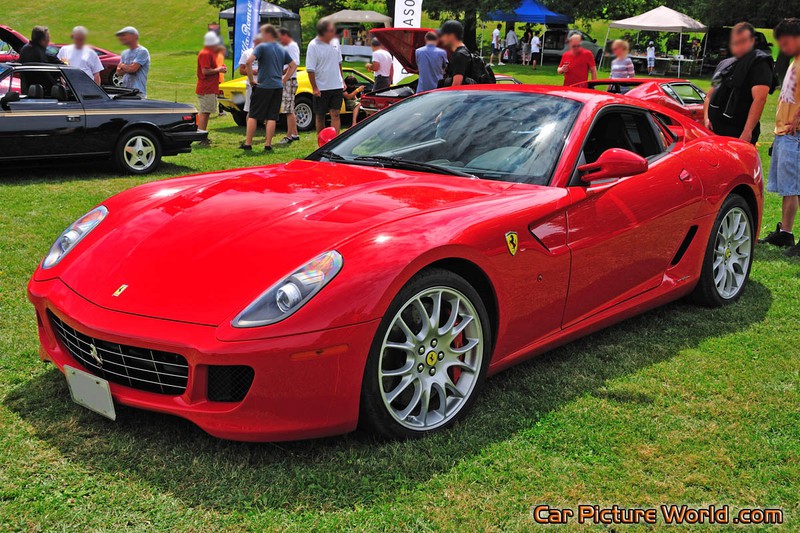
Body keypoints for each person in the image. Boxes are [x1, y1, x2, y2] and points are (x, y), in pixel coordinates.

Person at [760, 18, 800, 257]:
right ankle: (785, 233)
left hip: (795, 135)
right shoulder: (795, 61)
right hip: (785, 133)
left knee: (795, 186)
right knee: (789, 187)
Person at [704, 22, 774, 144]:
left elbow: (760, 99)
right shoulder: (724, 64)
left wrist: (747, 131)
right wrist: (706, 118)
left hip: (738, 132)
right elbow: (709, 95)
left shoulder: (759, 64)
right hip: (714, 131)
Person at [242, 24, 297, 152]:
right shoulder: (281, 49)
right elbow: (293, 65)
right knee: (272, 116)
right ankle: (268, 144)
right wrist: (283, 79)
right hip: (277, 87)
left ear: (267, 34)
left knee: (253, 115)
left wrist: (251, 80)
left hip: (263, 86)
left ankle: (248, 142)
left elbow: (249, 61)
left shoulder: (262, 47)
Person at [306, 20, 345, 133]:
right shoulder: (313, 45)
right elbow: (310, 69)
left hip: (336, 85)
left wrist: (342, 80)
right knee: (320, 115)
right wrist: (314, 88)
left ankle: (335, 141)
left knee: (335, 113)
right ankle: (321, 142)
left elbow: (339, 62)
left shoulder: (335, 42)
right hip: (321, 87)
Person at [196, 31, 227, 141]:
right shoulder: (206, 53)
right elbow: (205, 71)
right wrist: (219, 70)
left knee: (206, 112)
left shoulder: (209, 53)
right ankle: (201, 137)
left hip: (209, 87)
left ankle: (201, 135)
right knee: (205, 112)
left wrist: (220, 68)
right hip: (206, 88)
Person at [277, 28, 301, 144]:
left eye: (280, 37)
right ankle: (295, 133)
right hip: (288, 80)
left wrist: (284, 77)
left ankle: (289, 136)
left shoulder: (291, 46)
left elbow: (294, 63)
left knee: (288, 109)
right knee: (289, 107)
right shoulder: (288, 46)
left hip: (289, 80)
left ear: (285, 35)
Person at [19, 26, 59, 92]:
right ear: (42, 40)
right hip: (46, 94)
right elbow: (65, 68)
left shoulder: (24, 50)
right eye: (48, 39)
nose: (49, 41)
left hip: (27, 92)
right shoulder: (45, 54)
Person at [115, 27, 150, 97]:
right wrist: (128, 67)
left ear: (134, 36)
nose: (121, 38)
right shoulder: (124, 53)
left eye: (124, 35)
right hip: (125, 91)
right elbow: (118, 72)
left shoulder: (142, 51)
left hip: (138, 93)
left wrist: (123, 66)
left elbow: (132, 69)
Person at [439, 20, 472, 87]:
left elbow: (456, 85)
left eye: (443, 35)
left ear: (451, 36)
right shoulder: (463, 52)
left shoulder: (459, 56)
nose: (441, 38)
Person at [238, 36, 261, 119]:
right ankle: (249, 130)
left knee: (265, 108)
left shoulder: (265, 53)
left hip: (264, 84)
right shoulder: (247, 53)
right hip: (252, 85)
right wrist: (252, 72)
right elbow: (241, 70)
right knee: (250, 109)